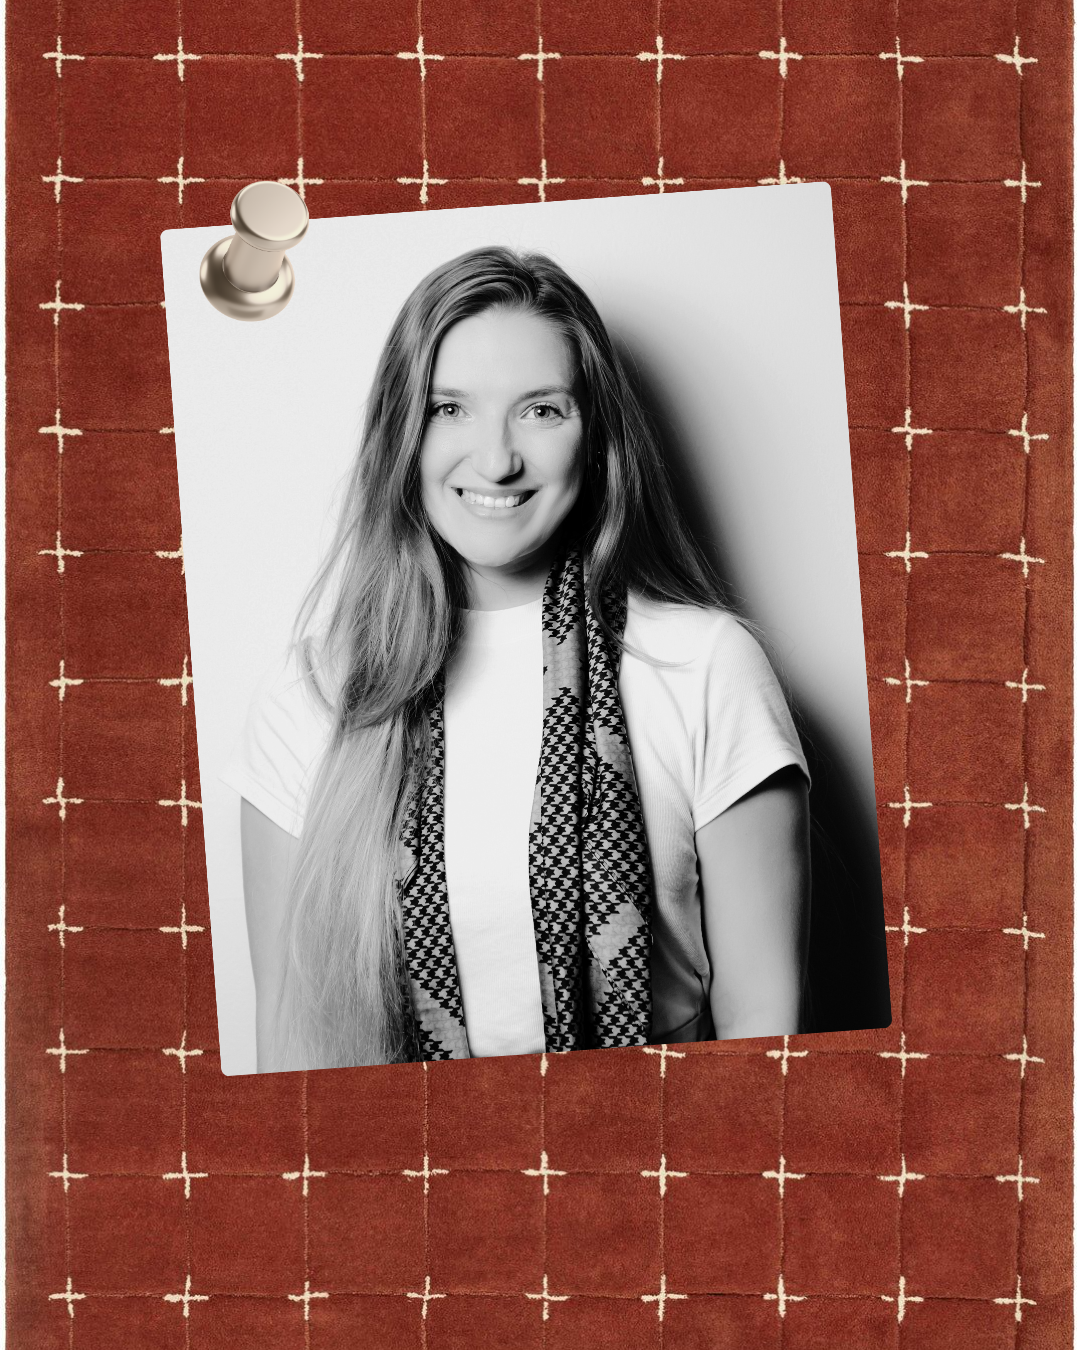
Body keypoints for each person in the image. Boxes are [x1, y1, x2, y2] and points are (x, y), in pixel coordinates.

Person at [219, 245, 812, 1072]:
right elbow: (290, 1046)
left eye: (540, 410)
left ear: (596, 438)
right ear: (403, 434)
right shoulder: (313, 694)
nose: (495, 460)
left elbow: (765, 1029)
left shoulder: (706, 667)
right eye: (449, 409)